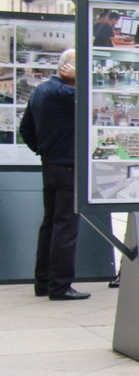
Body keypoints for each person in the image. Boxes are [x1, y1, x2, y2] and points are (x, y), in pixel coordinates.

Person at [18, 49, 89, 300]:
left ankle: (44, 282)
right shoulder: (68, 93)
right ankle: (60, 286)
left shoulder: (40, 90)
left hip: (51, 165)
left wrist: (44, 150)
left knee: (50, 224)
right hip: (69, 166)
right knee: (66, 227)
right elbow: (92, 100)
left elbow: (25, 128)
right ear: (69, 69)